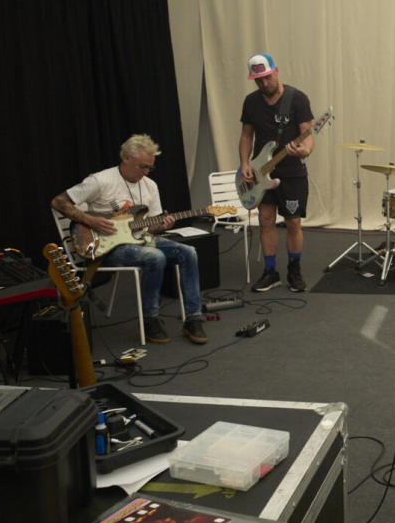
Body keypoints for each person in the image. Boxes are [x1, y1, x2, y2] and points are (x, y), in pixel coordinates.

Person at [50, 135, 207, 345]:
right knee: (155, 257)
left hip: (141, 241)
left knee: (189, 252)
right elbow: (58, 202)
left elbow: (150, 226)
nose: (145, 172)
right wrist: (90, 220)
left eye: (149, 168)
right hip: (107, 247)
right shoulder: (101, 180)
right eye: (142, 166)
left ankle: (193, 318)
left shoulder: (150, 185)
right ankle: (150, 319)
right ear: (125, 158)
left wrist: (160, 225)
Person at [238, 53, 315, 292]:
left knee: (293, 222)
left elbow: (308, 137)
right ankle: (270, 272)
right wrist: (244, 164)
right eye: (258, 80)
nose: (264, 84)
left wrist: (302, 150)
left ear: (276, 71)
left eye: (267, 78)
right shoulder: (251, 101)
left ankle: (294, 269)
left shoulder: (297, 99)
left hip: (291, 172)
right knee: (265, 220)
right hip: (261, 172)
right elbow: (246, 135)